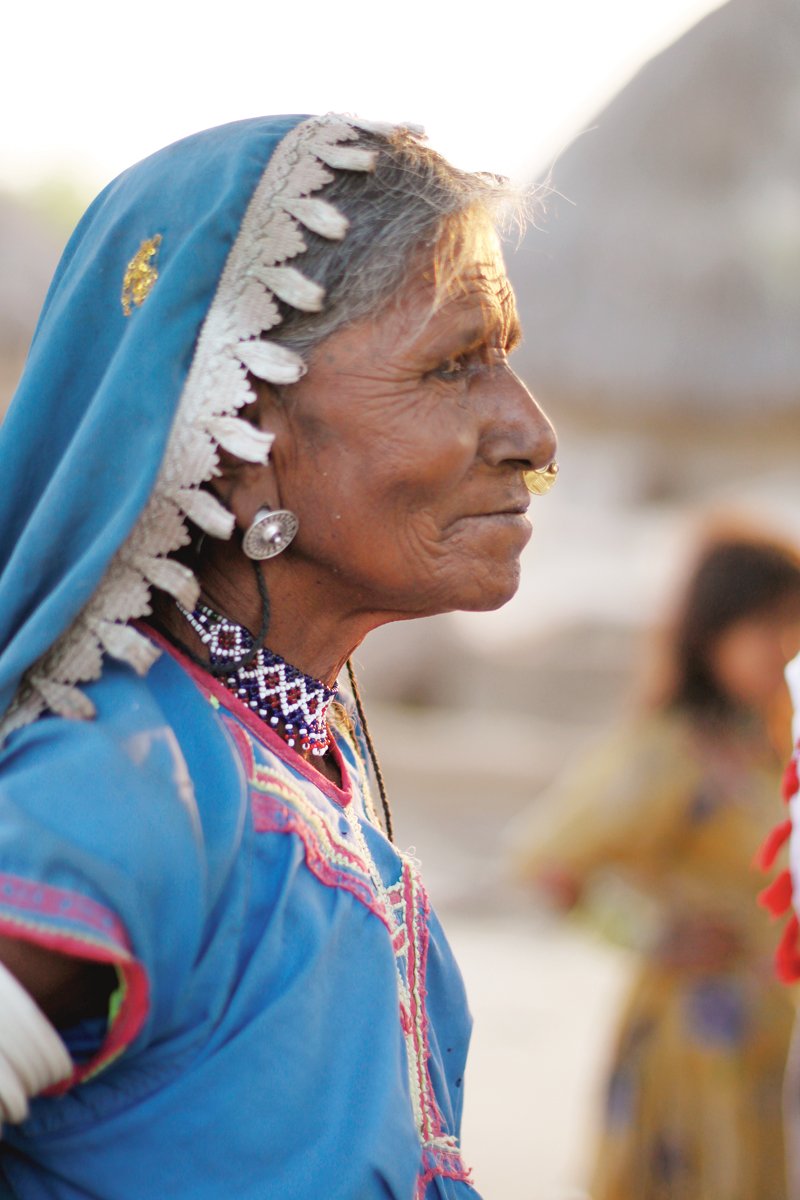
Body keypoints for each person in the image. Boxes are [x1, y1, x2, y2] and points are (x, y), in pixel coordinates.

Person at [0, 114, 558, 1197]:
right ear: (241, 436)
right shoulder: (121, 795)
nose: (532, 434)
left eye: (506, 362)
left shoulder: (280, 772)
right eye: (452, 366)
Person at [513, 527, 800, 1200]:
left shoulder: (766, 747)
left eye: (796, 626)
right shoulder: (673, 751)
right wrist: (655, 935)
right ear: (712, 631)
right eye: (769, 625)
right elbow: (548, 863)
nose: (785, 647)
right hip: (696, 1049)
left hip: (768, 1041)